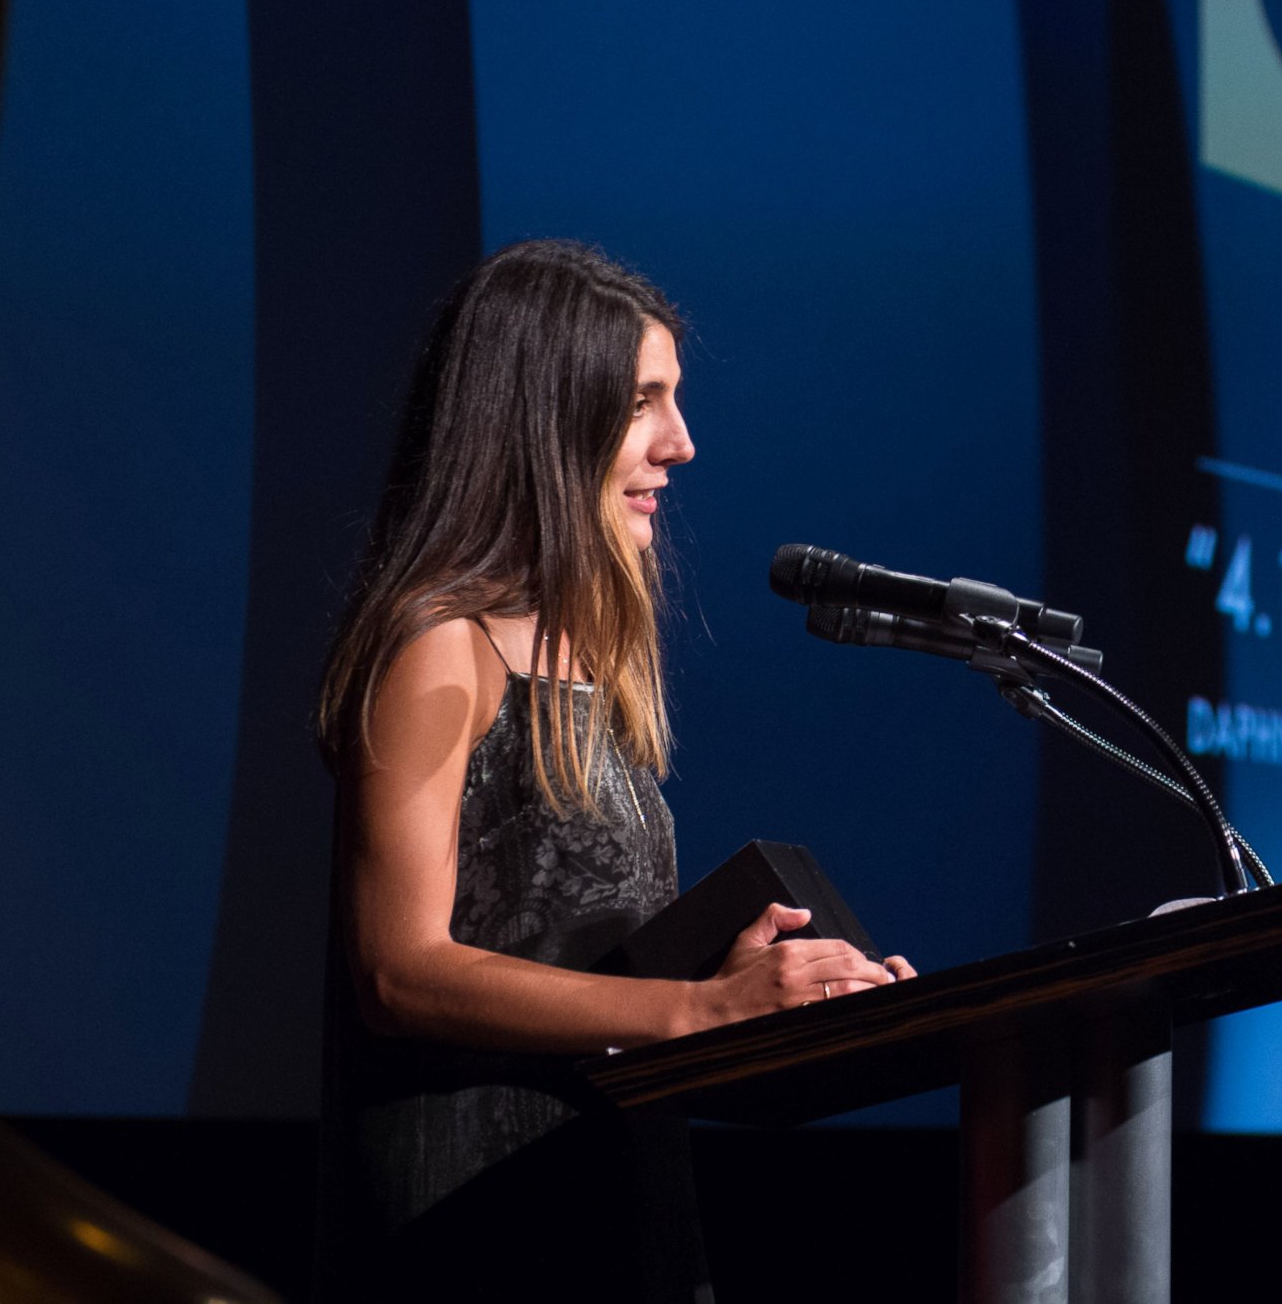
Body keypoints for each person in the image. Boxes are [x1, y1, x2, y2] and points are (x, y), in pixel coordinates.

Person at [311, 239, 911, 1301]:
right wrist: (700, 1009)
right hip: (480, 1223)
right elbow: (398, 971)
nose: (681, 445)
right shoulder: (439, 647)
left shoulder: (595, 663)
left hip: (613, 1193)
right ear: (548, 419)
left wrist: (778, 986)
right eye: (646, 402)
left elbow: (568, 944)